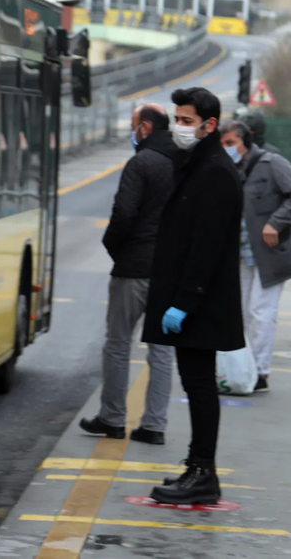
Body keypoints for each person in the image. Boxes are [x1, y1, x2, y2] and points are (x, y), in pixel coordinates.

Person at [143, 87, 244, 505]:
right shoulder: (198, 163)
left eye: (186, 121)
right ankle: (197, 467)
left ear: (210, 124)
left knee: (200, 387)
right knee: (195, 382)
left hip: (200, 302)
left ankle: (203, 472)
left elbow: (207, 246)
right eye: (177, 119)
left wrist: (184, 301)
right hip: (193, 300)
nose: (179, 127)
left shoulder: (216, 172)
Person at [80, 104, 178, 445]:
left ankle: (112, 418)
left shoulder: (141, 163)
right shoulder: (184, 163)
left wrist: (115, 248)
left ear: (146, 128)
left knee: (119, 344)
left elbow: (124, 212)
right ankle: (154, 425)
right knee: (162, 351)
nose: (132, 133)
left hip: (134, 268)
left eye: (134, 126)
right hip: (169, 272)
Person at [219, 120, 291, 393]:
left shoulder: (271, 164)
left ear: (246, 142)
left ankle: (260, 372)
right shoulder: (228, 170)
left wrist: (276, 222)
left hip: (271, 254)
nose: (227, 149)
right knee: (239, 314)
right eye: (222, 145)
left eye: (230, 144)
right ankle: (240, 369)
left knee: (261, 313)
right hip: (240, 254)